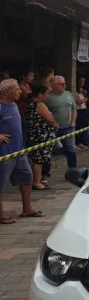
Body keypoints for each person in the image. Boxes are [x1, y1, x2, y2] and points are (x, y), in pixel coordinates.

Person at [0, 79, 45, 224]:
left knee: (26, 177)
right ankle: (1, 214)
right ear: (7, 92)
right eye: (17, 89)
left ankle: (27, 208)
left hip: (20, 151)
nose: (20, 91)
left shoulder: (14, 105)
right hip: (5, 153)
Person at [45, 75, 78, 169]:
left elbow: (74, 109)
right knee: (48, 150)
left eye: (64, 84)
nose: (64, 86)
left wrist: (73, 122)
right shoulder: (48, 97)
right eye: (61, 84)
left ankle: (73, 169)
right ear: (54, 85)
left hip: (68, 126)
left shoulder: (68, 94)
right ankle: (45, 173)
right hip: (53, 127)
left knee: (70, 149)